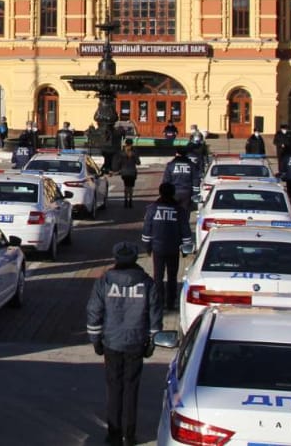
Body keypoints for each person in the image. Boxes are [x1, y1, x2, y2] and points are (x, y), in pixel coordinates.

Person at [86, 241, 162, 446]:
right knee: (131, 389)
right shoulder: (147, 283)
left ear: (116, 258)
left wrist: (96, 340)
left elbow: (94, 311)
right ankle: (129, 435)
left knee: (114, 389)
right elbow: (155, 315)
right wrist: (152, 342)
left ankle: (113, 433)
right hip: (136, 342)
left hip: (112, 342)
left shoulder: (105, 282)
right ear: (136, 259)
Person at [141, 182, 192, 310]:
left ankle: (159, 301)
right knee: (172, 276)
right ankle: (171, 301)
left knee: (158, 276)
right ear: (173, 193)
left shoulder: (152, 209)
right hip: (173, 248)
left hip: (158, 249)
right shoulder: (179, 211)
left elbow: (147, 230)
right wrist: (186, 249)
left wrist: (147, 247)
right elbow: (185, 231)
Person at [112, 139, 141, 208]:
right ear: (132, 144)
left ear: (125, 144)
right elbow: (138, 163)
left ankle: (125, 200)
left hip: (124, 172)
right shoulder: (134, 152)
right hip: (132, 172)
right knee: (130, 187)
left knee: (126, 186)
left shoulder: (121, 152)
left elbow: (118, 163)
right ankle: (130, 200)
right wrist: (134, 157)